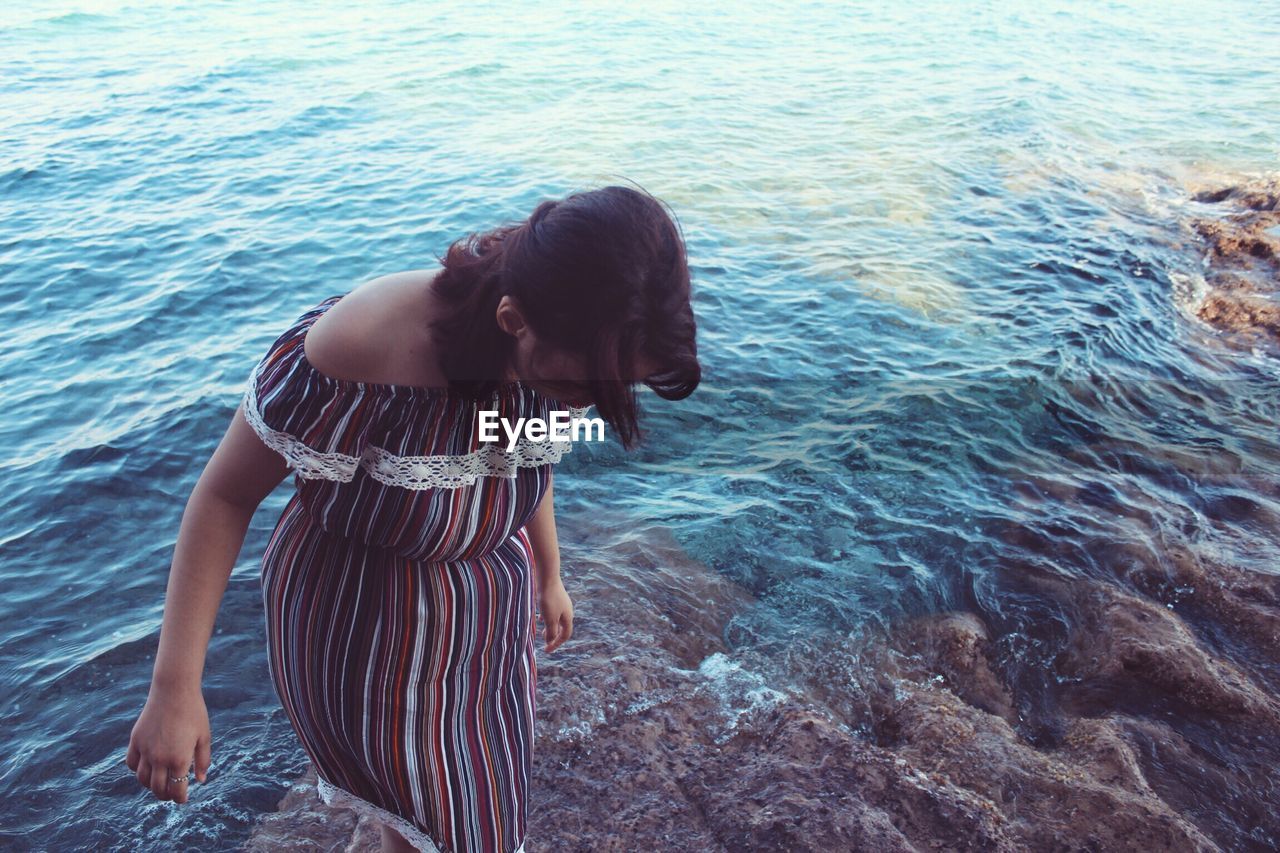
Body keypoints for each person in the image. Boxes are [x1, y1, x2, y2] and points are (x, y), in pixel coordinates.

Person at [124, 184, 701, 852]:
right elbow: (225, 497)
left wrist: (550, 571)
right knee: (445, 815)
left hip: (484, 620)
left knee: (459, 809)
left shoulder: (568, 342)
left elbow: (516, 452)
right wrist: (174, 687)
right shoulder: (364, 344)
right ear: (513, 319)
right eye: (583, 389)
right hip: (367, 625)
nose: (591, 403)